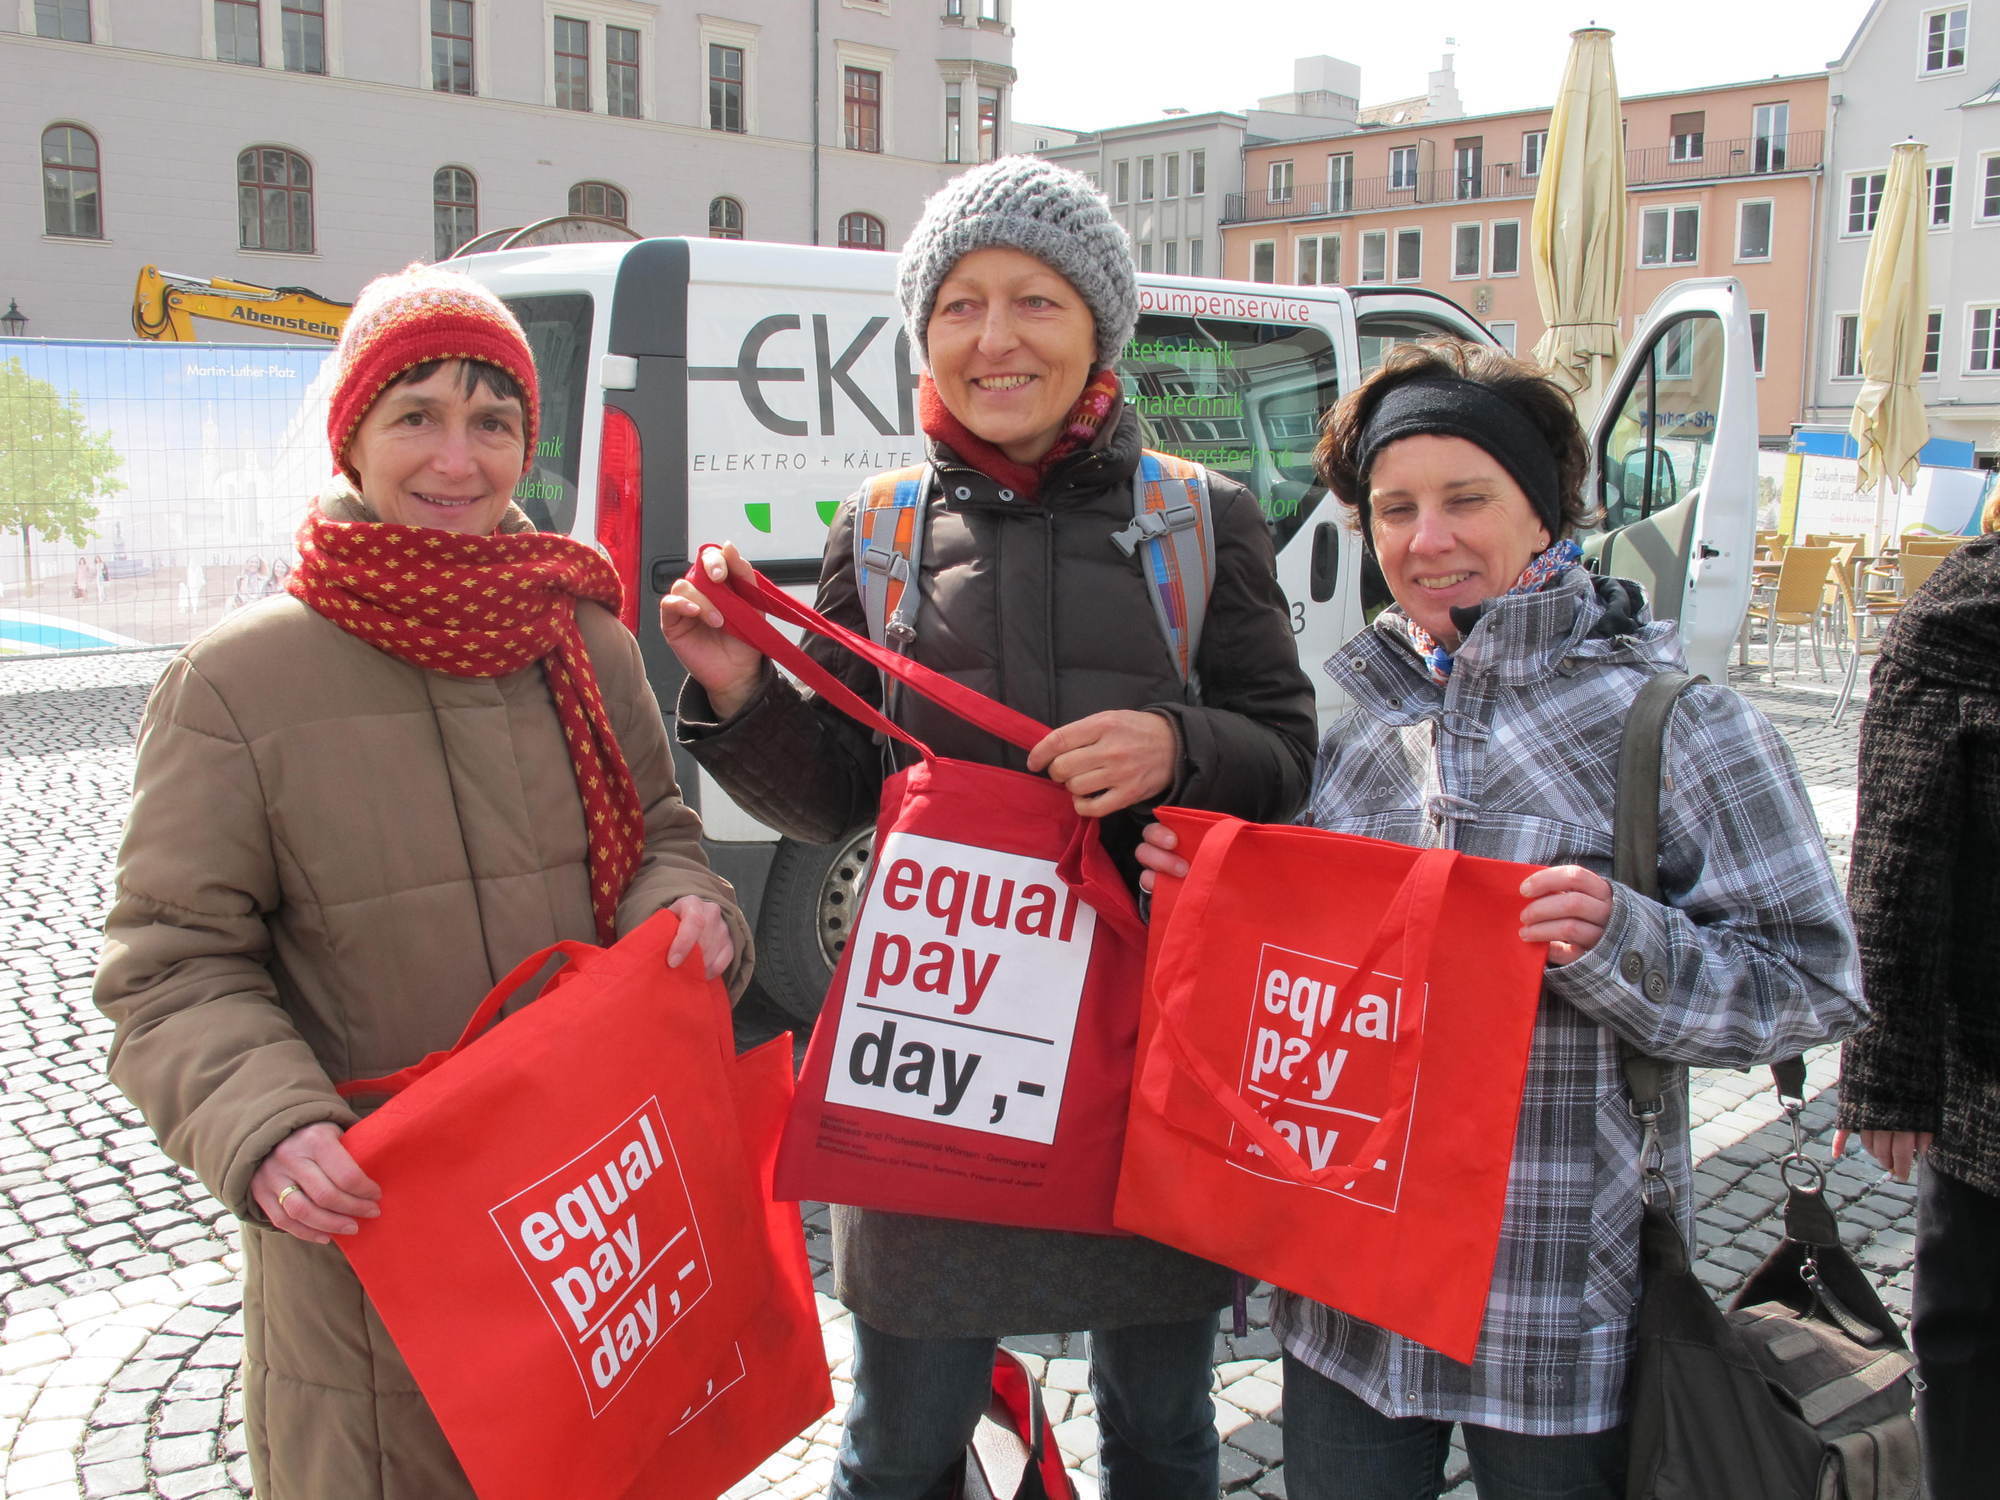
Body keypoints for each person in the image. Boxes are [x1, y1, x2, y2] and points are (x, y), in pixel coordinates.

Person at [661, 156, 1317, 1500]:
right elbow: (852, 793)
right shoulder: (883, 527)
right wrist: (738, 695)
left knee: (1164, 1434)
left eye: (1033, 300)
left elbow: (1290, 757)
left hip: (1146, 1050)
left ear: (1098, 330)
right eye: (959, 304)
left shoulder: (1203, 519)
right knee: (897, 1445)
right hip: (942, 1042)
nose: (994, 337)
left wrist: (1179, 746)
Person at [1137, 339, 1865, 1500]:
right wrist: (1207, 889)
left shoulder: (1675, 724)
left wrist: (1621, 941)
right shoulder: (1356, 717)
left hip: (1553, 1306)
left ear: (1544, 513)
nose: (1426, 541)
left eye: (1465, 500)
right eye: (1394, 509)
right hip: (1348, 1301)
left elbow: (1813, 984)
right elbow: (1304, 978)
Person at [94, 265, 751, 1500]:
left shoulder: (583, 638)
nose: (457, 458)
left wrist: (684, 910)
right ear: (354, 438)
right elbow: (169, 969)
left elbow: (661, 833)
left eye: (490, 421)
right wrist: (266, 1123)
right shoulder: (237, 684)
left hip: (588, 1223)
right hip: (380, 1259)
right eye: (416, 417)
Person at [1833, 524, 2000, 1500]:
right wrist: (1888, 1077)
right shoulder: (1961, 620)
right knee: (1970, 1340)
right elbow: (1895, 857)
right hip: (1985, 1080)